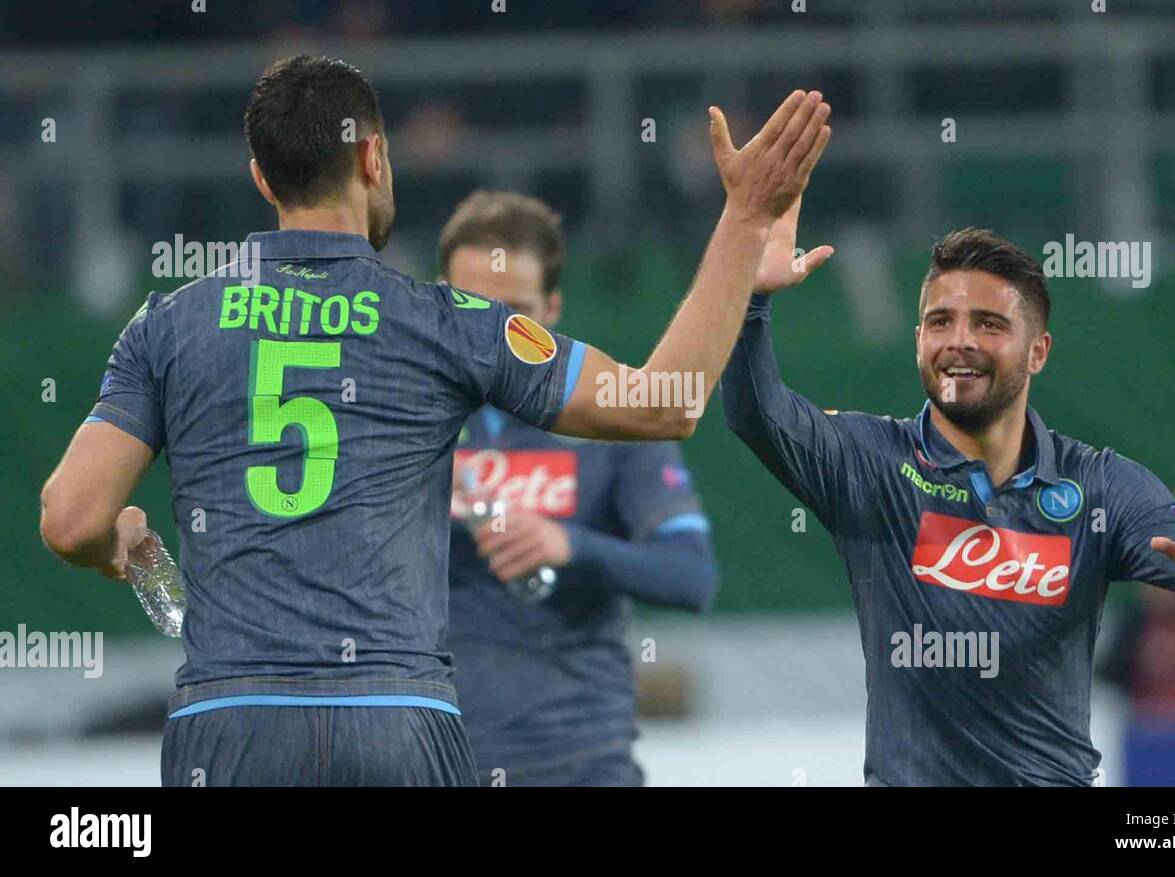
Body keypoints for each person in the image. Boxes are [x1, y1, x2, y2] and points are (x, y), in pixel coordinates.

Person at [37, 55, 832, 786]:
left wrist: (119, 548)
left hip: (228, 725)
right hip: (396, 723)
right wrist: (745, 220)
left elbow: (70, 519)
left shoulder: (168, 326)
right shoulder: (444, 321)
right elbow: (665, 403)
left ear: (261, 177)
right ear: (373, 158)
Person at [721, 216, 1175, 786]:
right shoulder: (870, 462)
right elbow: (755, 414)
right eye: (941, 321)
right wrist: (751, 298)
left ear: (1037, 351)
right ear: (919, 340)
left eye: (989, 324)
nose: (960, 340)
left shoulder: (1101, 486)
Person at [438, 190, 716, 786]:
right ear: (440, 299)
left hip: (580, 762)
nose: (491, 336)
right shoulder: (403, 426)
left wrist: (570, 546)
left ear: (554, 306)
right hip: (433, 763)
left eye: (514, 316)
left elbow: (692, 576)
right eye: (471, 308)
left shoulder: (611, 420)